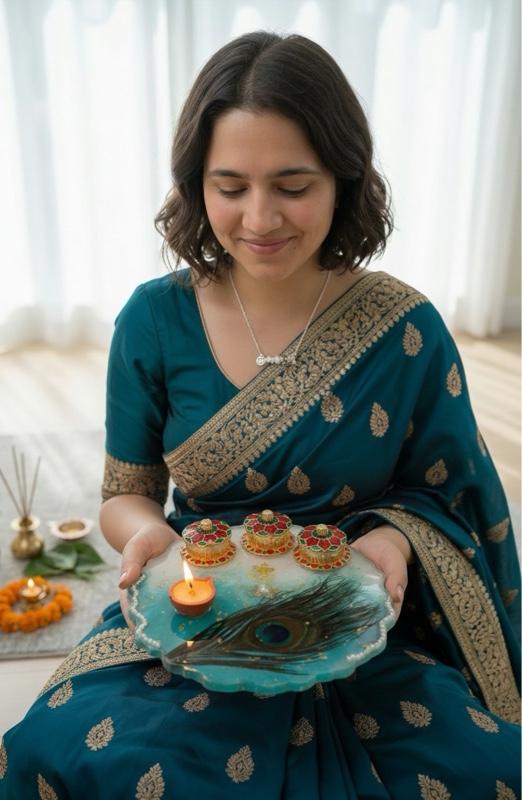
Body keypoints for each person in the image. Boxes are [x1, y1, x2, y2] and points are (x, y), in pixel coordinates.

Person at [0, 31, 520, 800]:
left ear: (343, 178)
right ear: (195, 184)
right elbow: (124, 492)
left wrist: (391, 543)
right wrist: (148, 534)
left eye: (292, 184)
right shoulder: (153, 320)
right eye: (230, 185)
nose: (259, 217)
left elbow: (450, 494)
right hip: (191, 614)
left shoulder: (403, 327)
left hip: (364, 625)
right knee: (58, 754)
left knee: (484, 773)